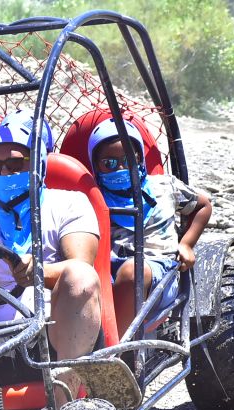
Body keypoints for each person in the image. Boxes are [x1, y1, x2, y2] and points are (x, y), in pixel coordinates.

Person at [0, 110, 103, 403]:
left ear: (36, 164)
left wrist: (41, 271)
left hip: (56, 336)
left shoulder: (70, 203)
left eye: (15, 164)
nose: (4, 173)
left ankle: (64, 407)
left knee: (81, 277)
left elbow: (81, 265)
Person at [87, 118, 212, 336]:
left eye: (128, 160)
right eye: (109, 164)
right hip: (107, 271)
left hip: (159, 273)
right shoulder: (93, 196)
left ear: (139, 159)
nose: (122, 168)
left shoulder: (163, 186)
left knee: (132, 271)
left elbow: (203, 205)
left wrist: (187, 244)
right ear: (96, 166)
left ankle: (115, 350)